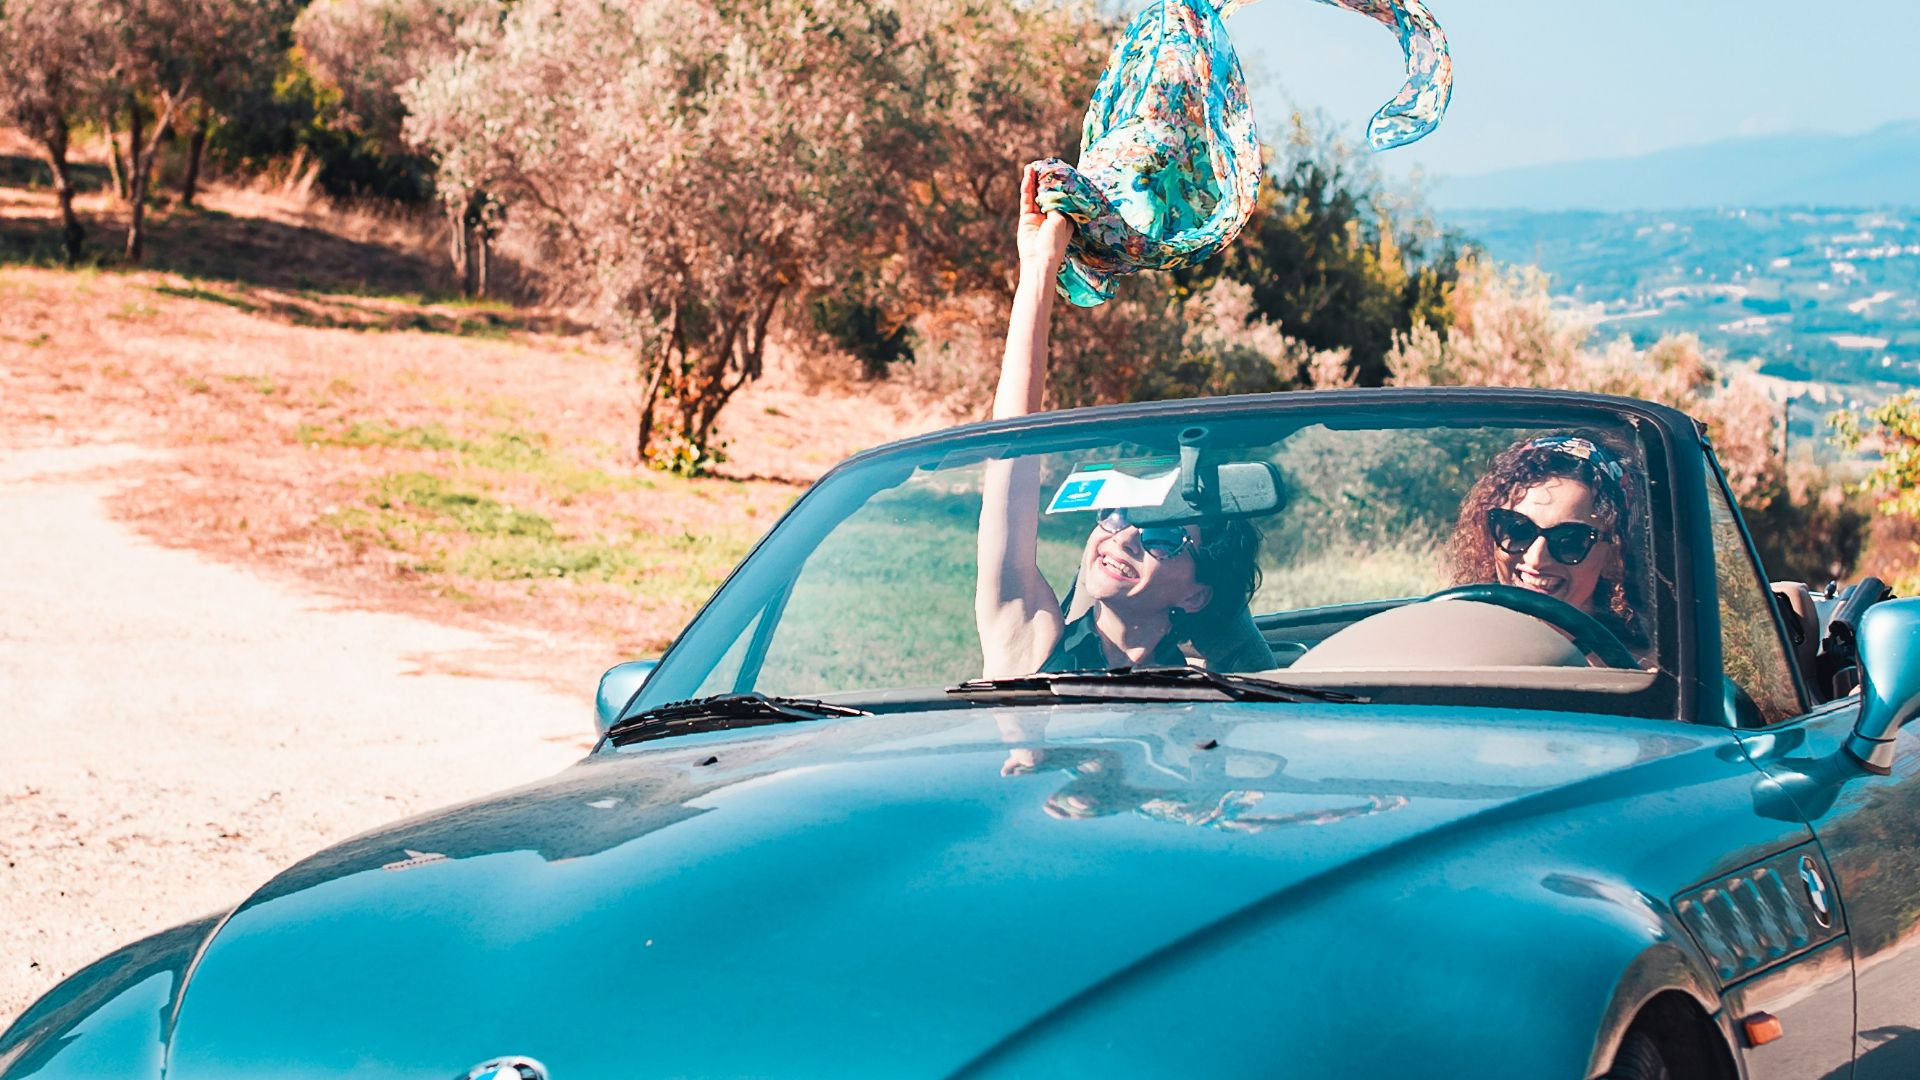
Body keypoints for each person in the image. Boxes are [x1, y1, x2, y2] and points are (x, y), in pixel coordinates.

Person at [975, 164, 1265, 679]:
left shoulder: (1212, 701)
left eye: (1163, 538)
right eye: (1116, 513)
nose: (1125, 536)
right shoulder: (1028, 643)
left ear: (1197, 594)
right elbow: (1011, 446)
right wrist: (1041, 265)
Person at [1445, 434, 1645, 649]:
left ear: (1613, 555)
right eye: (1518, 529)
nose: (1536, 559)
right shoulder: (1452, 641)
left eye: (1570, 541)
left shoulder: (1644, 675)